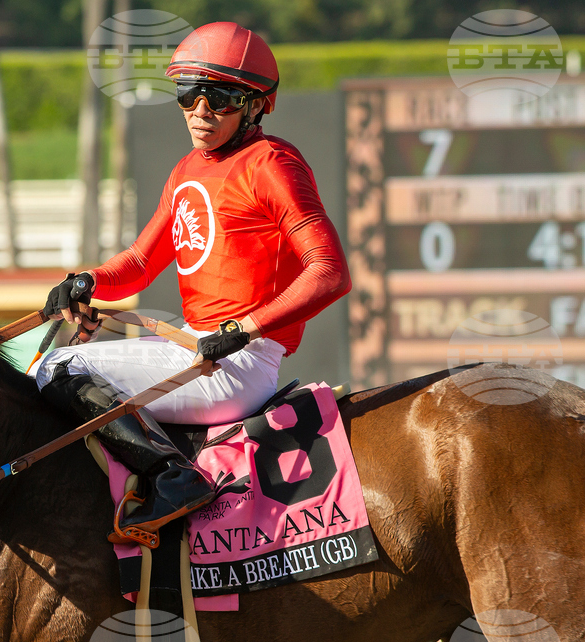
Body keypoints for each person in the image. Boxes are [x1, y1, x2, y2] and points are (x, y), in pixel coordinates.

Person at [36, 21, 350, 544]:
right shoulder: (187, 170)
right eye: (188, 93)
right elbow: (139, 261)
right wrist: (88, 279)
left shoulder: (272, 163)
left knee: (57, 368)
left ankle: (171, 478)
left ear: (256, 105)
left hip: (238, 363)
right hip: (196, 347)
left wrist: (244, 328)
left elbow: (330, 272)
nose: (201, 111)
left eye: (221, 97)